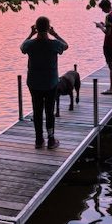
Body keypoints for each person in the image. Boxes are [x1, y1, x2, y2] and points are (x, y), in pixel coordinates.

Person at [20, 16, 68, 149]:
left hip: (34, 83)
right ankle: (51, 140)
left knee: (37, 110)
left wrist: (30, 34)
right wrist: (55, 34)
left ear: (36, 28)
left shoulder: (30, 44)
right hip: (50, 83)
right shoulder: (54, 44)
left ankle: (38, 139)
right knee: (49, 110)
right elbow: (66, 45)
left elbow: (22, 47)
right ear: (48, 28)